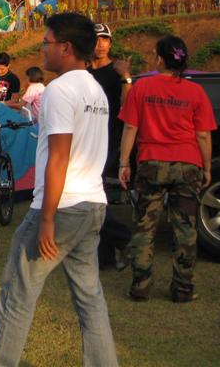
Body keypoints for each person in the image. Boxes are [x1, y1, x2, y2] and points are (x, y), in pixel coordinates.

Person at [0, 12, 117, 367]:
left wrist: (46, 219)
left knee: (18, 290)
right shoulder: (96, 90)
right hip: (92, 203)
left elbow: (59, 157)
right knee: (90, 297)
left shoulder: (60, 90)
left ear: (65, 47)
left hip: (61, 206)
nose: (42, 49)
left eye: (46, 42)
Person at [119, 35, 216, 303]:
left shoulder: (141, 87)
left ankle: (140, 286)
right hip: (188, 164)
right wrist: (207, 167)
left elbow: (130, 127)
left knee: (144, 226)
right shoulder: (196, 92)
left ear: (160, 59)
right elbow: (203, 135)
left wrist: (124, 163)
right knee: (185, 229)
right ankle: (183, 289)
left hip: (150, 163)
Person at [87, 23, 134, 271]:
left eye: (106, 39)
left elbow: (128, 106)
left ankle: (126, 239)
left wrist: (126, 77)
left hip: (110, 140)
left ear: (111, 43)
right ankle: (105, 258)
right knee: (97, 196)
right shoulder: (84, 73)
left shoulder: (116, 72)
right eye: (97, 39)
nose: (101, 44)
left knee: (94, 196)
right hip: (87, 141)